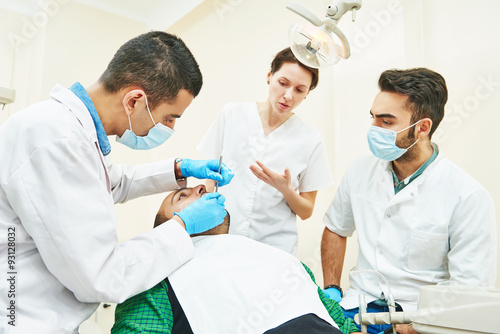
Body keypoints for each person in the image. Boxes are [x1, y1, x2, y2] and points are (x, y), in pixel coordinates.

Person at [0, 31, 234, 334]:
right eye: (169, 118)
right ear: (135, 100)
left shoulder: (73, 135)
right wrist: (181, 227)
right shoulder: (56, 140)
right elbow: (101, 278)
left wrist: (180, 169)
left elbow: (110, 183)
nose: (170, 128)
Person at [320, 68, 497, 334]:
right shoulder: (360, 171)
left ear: (422, 128)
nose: (374, 129)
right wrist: (332, 289)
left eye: (386, 122)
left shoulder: (467, 196)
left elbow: (467, 291)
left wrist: (410, 327)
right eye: (373, 118)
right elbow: (335, 228)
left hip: (419, 318)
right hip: (357, 307)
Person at [112, 185, 362, 334]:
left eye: (201, 188)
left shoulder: (283, 261)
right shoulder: (156, 281)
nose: (202, 188)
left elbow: (341, 323)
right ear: (168, 228)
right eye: (182, 196)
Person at [197, 47, 333, 255]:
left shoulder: (310, 139)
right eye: (283, 83)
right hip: (221, 239)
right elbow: (210, 179)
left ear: (307, 94)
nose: (288, 96)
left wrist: (285, 189)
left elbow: (306, 211)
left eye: (299, 90)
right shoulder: (232, 114)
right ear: (270, 76)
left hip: (274, 250)